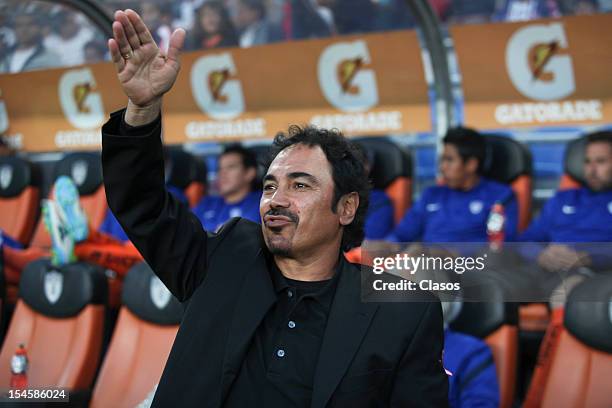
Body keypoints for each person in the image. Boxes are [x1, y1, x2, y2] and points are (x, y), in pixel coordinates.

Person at [103, 9, 448, 406]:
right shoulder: (222, 259)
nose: (276, 200)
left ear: (346, 208)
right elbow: (140, 203)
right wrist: (143, 110)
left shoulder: (402, 311)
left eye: (299, 184)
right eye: (270, 185)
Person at [386, 127, 518, 244]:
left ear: (471, 164)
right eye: (442, 160)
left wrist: (445, 254)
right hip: (426, 266)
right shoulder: (431, 195)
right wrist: (379, 246)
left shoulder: (500, 196)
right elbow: (400, 236)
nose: (442, 167)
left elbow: (500, 247)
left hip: (472, 268)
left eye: (449, 160)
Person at [193, 144, 261, 232]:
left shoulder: (261, 203)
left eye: (231, 167)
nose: (223, 173)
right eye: (219, 169)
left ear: (250, 173)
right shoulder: (206, 203)